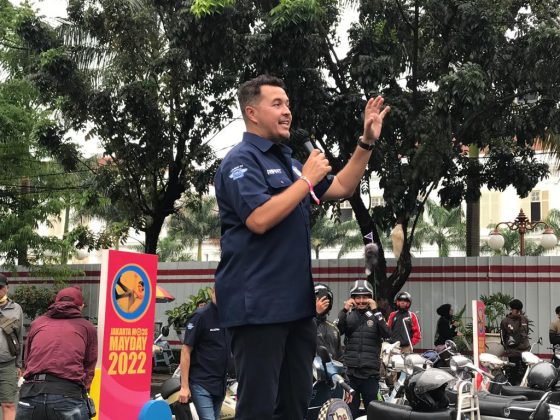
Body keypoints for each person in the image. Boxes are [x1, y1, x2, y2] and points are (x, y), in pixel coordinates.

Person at [214, 74, 390, 419]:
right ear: (251, 112)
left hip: (296, 308)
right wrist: (306, 180)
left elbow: (342, 187)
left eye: (288, 104)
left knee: (295, 404)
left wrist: (366, 142)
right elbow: (259, 218)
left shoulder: (290, 163)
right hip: (258, 307)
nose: (287, 111)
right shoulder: (240, 161)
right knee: (259, 408)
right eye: (277, 104)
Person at [17, 286, 97, 420]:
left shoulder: (37, 323)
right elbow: (89, 366)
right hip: (68, 395)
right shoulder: (87, 327)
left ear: (55, 303)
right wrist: (84, 392)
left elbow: (28, 358)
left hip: (31, 394)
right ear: (81, 306)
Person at [336, 280, 390, 418]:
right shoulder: (348, 316)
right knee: (350, 413)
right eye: (357, 297)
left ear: (370, 298)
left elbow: (387, 333)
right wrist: (344, 310)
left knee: (372, 413)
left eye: (365, 297)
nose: (361, 301)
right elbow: (337, 332)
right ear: (352, 299)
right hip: (350, 374)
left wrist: (376, 310)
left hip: (370, 374)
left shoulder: (377, 316)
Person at [178, 288, 229, 420]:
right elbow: (185, 350)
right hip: (201, 383)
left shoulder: (229, 317)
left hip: (220, 385)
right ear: (212, 292)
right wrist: (184, 387)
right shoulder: (200, 316)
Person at [0, 274, 23, 420]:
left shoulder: (16, 309)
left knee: (8, 404)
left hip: (8, 365)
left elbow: (19, 338)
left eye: (0, 287)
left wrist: (18, 364)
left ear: (7, 288)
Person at [500, 298, 530, 386]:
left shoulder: (524, 319)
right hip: (513, 351)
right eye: (516, 310)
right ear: (511, 309)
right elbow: (502, 337)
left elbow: (526, 332)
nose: (518, 312)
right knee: (514, 372)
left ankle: (525, 388)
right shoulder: (505, 321)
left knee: (526, 372)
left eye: (519, 310)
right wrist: (507, 349)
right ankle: (512, 388)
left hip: (525, 350)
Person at [314, 283, 343, 361]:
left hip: (330, 368)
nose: (321, 302)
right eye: (318, 299)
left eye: (325, 299)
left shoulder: (334, 328)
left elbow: (339, 356)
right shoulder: (303, 325)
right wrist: (317, 314)